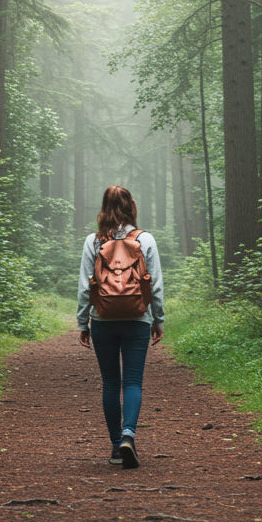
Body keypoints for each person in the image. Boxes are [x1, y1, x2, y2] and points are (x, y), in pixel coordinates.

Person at [77, 185, 165, 469]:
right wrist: (158, 319)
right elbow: (156, 284)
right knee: (132, 381)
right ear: (131, 207)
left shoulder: (93, 241)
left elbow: (84, 286)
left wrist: (83, 322)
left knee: (111, 382)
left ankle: (117, 446)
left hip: (103, 319)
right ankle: (129, 433)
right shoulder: (145, 239)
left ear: (104, 208)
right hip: (137, 319)